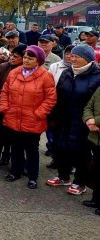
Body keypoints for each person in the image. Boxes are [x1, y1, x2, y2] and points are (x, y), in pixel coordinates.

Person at [0, 45, 57, 189]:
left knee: (32, 150)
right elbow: (5, 91)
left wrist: (38, 113)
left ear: (38, 61)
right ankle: (15, 172)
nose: (26, 60)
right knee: (16, 147)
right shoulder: (14, 73)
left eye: (30, 58)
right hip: (13, 116)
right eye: (25, 57)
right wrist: (5, 107)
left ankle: (32, 176)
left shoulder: (46, 76)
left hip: (33, 120)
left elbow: (50, 98)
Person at [46, 45, 100, 195]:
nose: (73, 59)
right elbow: (58, 95)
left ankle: (80, 182)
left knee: (80, 152)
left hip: (83, 120)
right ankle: (63, 176)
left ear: (88, 59)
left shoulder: (96, 76)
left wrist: (92, 119)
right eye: (72, 56)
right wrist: (53, 116)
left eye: (77, 57)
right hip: (63, 117)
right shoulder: (67, 72)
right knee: (60, 147)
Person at [0, 44, 27, 171]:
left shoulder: (26, 70)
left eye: (16, 56)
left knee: (16, 139)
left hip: (18, 110)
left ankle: (14, 162)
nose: (12, 58)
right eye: (12, 55)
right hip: (1, 106)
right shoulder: (4, 67)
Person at [82, 84, 100, 215]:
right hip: (96, 137)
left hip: (96, 127)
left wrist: (96, 121)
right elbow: (88, 106)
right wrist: (88, 120)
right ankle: (96, 199)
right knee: (97, 169)